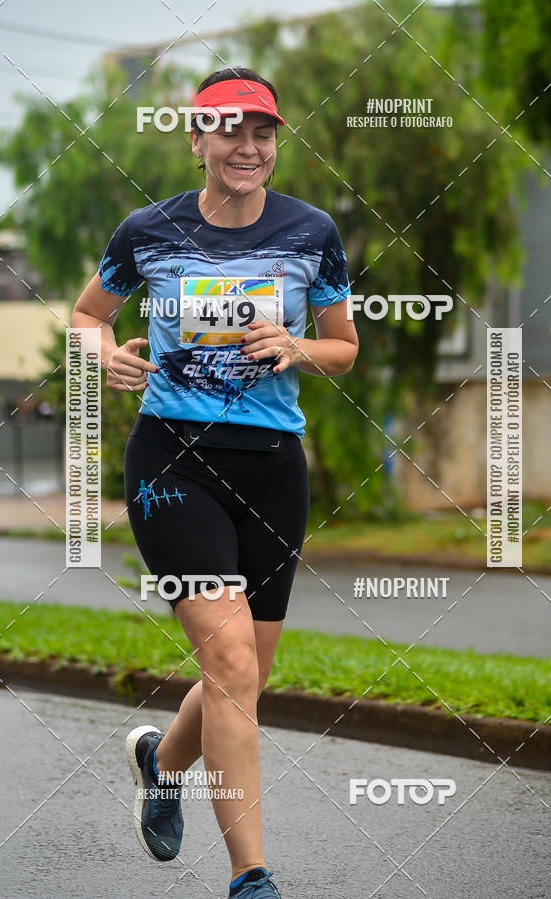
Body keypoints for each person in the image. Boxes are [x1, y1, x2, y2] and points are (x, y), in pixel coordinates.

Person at [71, 66, 358, 898]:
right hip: (172, 464)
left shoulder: (312, 232)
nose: (247, 144)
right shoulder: (147, 231)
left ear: (274, 144)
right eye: (228, 129)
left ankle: (162, 763)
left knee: (244, 673)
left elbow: (342, 346)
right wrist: (104, 354)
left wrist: (296, 345)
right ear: (196, 139)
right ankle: (252, 877)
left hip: (274, 470)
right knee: (229, 657)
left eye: (262, 131)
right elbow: (88, 316)